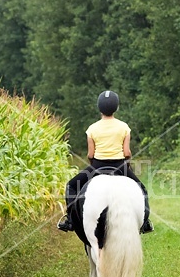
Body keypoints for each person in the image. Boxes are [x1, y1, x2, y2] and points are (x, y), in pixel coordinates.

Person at [57, 90, 154, 234]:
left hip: (97, 166)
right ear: (117, 108)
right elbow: (127, 153)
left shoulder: (92, 129)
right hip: (120, 166)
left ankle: (70, 220)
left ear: (99, 108)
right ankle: (145, 223)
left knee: (71, 186)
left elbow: (90, 154)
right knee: (142, 189)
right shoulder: (124, 127)